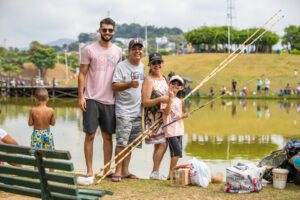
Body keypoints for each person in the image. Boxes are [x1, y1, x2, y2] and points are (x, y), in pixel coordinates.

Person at [78, 17, 122, 177]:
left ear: (114, 31)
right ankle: (89, 171)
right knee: (89, 135)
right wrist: (80, 96)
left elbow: (119, 76)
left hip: (110, 100)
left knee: (108, 136)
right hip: (91, 98)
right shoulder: (89, 49)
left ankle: (106, 169)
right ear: (100, 30)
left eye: (110, 30)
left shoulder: (118, 51)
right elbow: (82, 74)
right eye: (104, 30)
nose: (107, 32)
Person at [111, 38, 145, 182]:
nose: (137, 51)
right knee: (121, 142)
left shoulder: (143, 66)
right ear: (129, 51)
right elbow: (114, 86)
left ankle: (125, 171)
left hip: (137, 112)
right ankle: (117, 171)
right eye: (134, 48)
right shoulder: (121, 66)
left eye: (140, 48)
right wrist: (130, 84)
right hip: (123, 111)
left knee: (131, 143)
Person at [142, 53, 169, 180]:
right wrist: (160, 99)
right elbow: (145, 102)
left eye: (159, 62)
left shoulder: (164, 78)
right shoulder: (148, 80)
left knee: (160, 145)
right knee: (163, 144)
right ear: (149, 65)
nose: (157, 65)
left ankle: (155, 172)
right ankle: (155, 172)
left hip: (164, 118)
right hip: (153, 119)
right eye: (154, 63)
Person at [160, 75, 188, 179]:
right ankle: (171, 174)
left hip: (179, 129)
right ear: (169, 84)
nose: (175, 85)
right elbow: (166, 112)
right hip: (170, 130)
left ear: (181, 88)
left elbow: (178, 116)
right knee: (177, 151)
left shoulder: (180, 100)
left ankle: (170, 175)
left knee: (176, 153)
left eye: (178, 84)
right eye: (173, 83)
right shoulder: (165, 98)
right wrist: (170, 99)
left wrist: (184, 115)